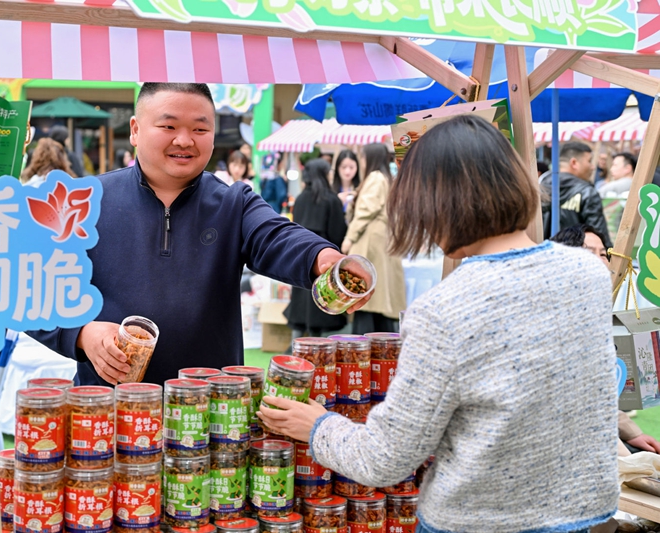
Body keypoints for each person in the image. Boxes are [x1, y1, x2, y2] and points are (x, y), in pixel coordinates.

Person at [259, 114, 618, 533]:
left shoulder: (445, 309)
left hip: (477, 520)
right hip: (581, 512)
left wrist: (317, 426)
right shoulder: (589, 273)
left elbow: (384, 459)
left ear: (434, 203)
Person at [28, 83, 367, 386]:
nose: (185, 140)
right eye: (168, 126)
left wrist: (325, 258)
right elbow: (26, 287)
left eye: (200, 128)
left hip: (211, 419)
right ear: (135, 130)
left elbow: (276, 236)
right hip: (113, 416)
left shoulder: (233, 203)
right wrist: (81, 333)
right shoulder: (84, 202)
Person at [550, 224, 660, 456]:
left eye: (603, 254)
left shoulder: (595, 310)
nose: (601, 261)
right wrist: (627, 458)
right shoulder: (554, 316)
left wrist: (633, 434)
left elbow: (598, 394)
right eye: (588, 252)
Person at [341, 143, 406, 334]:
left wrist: (349, 238)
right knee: (379, 301)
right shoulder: (387, 178)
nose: (361, 161)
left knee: (366, 295)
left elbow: (365, 211)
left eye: (362, 157)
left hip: (370, 241)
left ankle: (364, 346)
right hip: (382, 239)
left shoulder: (375, 178)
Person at [284, 158, 348, 340]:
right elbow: (337, 232)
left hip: (299, 252)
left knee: (300, 295)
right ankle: (316, 341)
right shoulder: (330, 199)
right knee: (320, 298)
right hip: (324, 254)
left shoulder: (301, 198)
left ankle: (296, 342)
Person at [541, 142, 612, 248]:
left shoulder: (540, 188)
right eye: (589, 161)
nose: (593, 167)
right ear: (574, 163)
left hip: (544, 256)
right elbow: (600, 235)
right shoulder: (587, 192)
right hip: (579, 258)